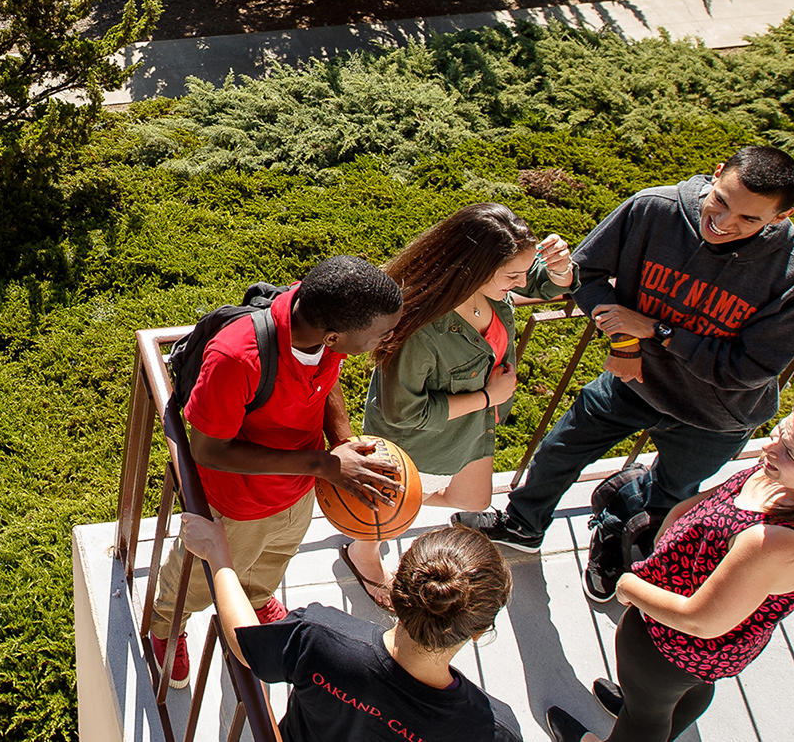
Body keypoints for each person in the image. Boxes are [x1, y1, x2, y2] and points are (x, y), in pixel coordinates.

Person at [457, 146, 794, 557]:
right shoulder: (655, 209)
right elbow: (585, 274)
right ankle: (524, 525)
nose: (722, 223)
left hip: (717, 414)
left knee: (667, 494)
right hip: (632, 378)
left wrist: (655, 329)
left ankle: (616, 542)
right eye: (720, 201)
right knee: (560, 449)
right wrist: (626, 344)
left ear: (781, 217)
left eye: (747, 219)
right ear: (716, 172)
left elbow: (749, 370)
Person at [548, 399, 794, 742]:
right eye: (779, 434)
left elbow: (700, 621)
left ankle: (640, 715)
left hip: (674, 644)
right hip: (701, 654)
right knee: (680, 691)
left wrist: (627, 586)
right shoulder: (781, 480)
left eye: (790, 452)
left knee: (644, 719)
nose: (770, 447)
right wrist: (665, 545)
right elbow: (702, 505)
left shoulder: (776, 543)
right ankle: (652, 702)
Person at [148, 256, 406, 689]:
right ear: (335, 334)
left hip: (298, 489)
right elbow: (208, 449)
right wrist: (324, 464)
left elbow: (327, 379)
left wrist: (339, 440)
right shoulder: (237, 358)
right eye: (382, 332)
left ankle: (258, 598)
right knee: (198, 578)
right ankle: (166, 627)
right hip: (238, 506)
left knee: (273, 559)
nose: (390, 336)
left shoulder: (316, 318)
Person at [348, 204, 575, 606]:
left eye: (524, 271)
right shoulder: (421, 329)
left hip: (473, 427)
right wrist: (490, 397)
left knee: (475, 501)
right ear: (477, 267)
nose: (523, 283)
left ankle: (394, 500)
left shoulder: (489, 287)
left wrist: (558, 268)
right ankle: (363, 549)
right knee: (394, 517)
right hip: (424, 443)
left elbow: (548, 284)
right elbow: (405, 412)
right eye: (513, 276)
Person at [181, 517, 522, 742]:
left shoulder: (319, 637)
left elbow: (245, 645)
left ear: (397, 587)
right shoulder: (492, 730)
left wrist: (218, 555)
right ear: (478, 631)